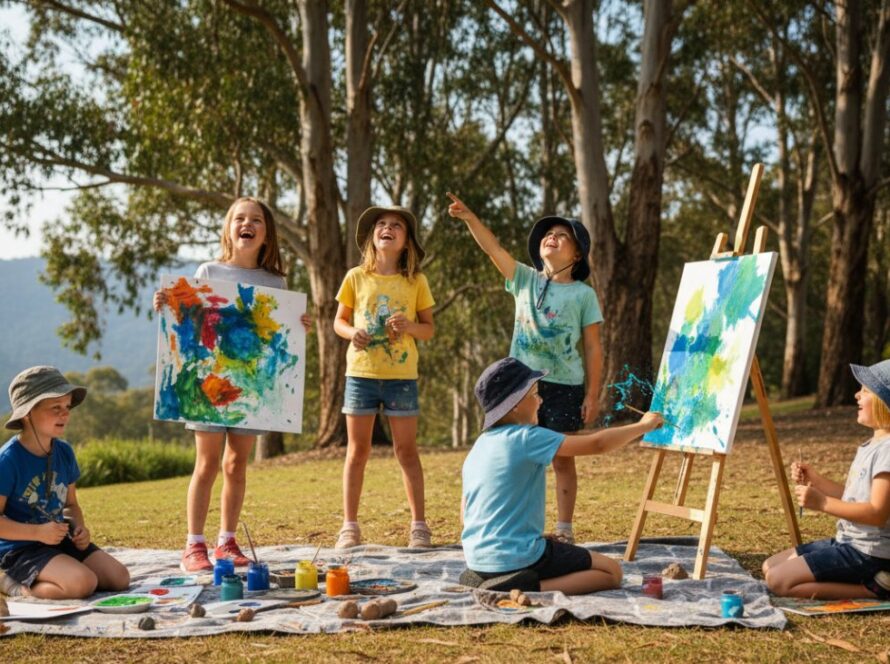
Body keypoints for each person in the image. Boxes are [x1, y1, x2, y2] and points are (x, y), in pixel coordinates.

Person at [153, 196, 311, 572]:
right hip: (206, 382)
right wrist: (166, 304)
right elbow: (189, 319)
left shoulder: (276, 282)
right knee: (207, 463)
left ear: (266, 234)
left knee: (237, 463)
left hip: (251, 386)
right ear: (229, 228)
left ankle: (227, 542)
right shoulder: (209, 270)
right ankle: (194, 545)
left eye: (256, 220)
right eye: (240, 218)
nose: (247, 224)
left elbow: (278, 332)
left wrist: (299, 325)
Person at [447, 193, 602, 544]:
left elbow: (593, 347)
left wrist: (592, 394)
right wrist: (470, 218)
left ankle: (564, 530)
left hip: (566, 386)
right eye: (549, 234)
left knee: (562, 458)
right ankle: (503, 522)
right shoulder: (523, 279)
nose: (552, 237)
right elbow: (493, 249)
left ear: (577, 255)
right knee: (513, 455)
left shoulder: (583, 295)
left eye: (562, 236)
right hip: (520, 388)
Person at [460, 357, 662, 594]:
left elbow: (466, 515)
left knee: (561, 556)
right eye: (535, 394)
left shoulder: (479, 446)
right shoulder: (526, 437)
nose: (540, 401)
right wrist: (644, 426)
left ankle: (492, 577)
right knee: (611, 572)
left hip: (476, 559)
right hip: (517, 558)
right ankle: (525, 586)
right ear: (515, 404)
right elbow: (597, 444)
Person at [333, 205, 435, 549]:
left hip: (402, 378)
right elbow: (339, 321)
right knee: (357, 451)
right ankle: (349, 526)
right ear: (372, 236)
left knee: (406, 450)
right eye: (381, 224)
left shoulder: (416, 281)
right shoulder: (355, 277)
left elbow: (429, 330)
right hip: (360, 375)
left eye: (396, 226)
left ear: (407, 242)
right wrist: (352, 333)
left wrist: (409, 326)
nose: (387, 228)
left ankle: (419, 526)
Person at [762, 359, 890, 599]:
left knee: (778, 581)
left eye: (865, 391)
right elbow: (853, 498)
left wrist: (822, 503)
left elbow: (877, 513)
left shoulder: (888, 451)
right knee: (769, 566)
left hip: (869, 553)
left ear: (885, 403)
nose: (856, 395)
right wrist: (816, 480)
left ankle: (873, 589)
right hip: (847, 543)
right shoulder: (872, 445)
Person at [0, 366, 130, 598]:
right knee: (83, 583)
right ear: (27, 413)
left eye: (67, 407)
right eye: (56, 407)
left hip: (58, 540)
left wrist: (79, 529)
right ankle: (10, 583)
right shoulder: (8, 460)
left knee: (119, 578)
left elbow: (70, 505)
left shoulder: (64, 452)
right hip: (19, 549)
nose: (65, 414)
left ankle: (60, 570)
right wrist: (38, 532)